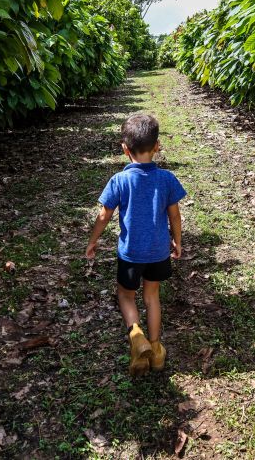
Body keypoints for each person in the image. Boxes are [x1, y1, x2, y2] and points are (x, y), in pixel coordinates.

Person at [85, 113, 186, 377]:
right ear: (157, 146)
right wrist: (177, 240)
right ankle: (155, 349)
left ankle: (136, 336)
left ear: (124, 149)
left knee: (126, 295)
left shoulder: (119, 181)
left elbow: (104, 215)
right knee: (152, 297)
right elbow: (174, 215)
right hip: (158, 252)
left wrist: (93, 241)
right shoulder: (167, 179)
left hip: (130, 253)